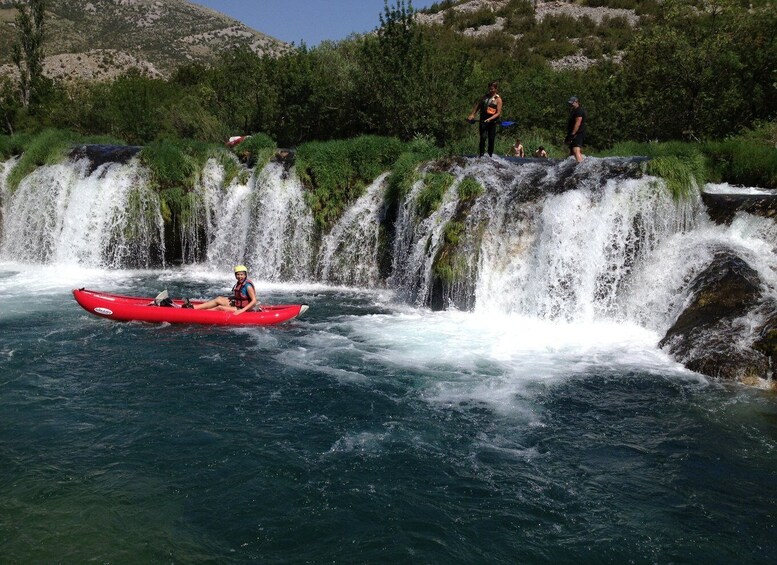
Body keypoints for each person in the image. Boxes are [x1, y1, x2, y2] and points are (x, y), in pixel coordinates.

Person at [191, 265, 260, 314]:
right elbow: (242, 296)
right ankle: (194, 307)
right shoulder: (240, 283)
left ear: (245, 275)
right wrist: (231, 297)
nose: (239, 276)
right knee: (219, 299)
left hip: (245, 308)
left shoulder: (248, 286)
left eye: (241, 274)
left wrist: (242, 311)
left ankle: (200, 313)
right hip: (238, 304)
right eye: (237, 275)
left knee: (220, 308)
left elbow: (254, 300)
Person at [468, 81, 503, 157]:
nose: (490, 90)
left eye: (492, 89)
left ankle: (490, 156)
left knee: (491, 139)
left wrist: (490, 119)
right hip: (483, 120)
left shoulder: (498, 99)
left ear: (496, 89)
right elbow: (478, 106)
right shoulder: (484, 97)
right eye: (489, 89)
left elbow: (498, 113)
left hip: (492, 122)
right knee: (483, 138)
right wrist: (472, 114)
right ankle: (481, 155)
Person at [565, 96, 587, 163]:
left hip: (578, 132)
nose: (570, 104)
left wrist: (572, 134)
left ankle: (581, 166)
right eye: (570, 103)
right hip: (573, 132)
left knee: (576, 149)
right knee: (572, 151)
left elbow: (577, 123)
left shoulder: (579, 110)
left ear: (576, 102)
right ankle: (575, 165)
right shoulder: (573, 110)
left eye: (572, 103)